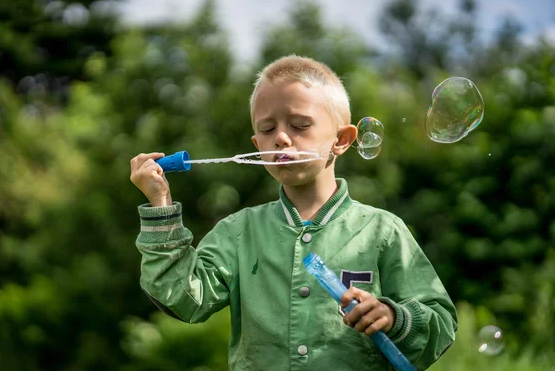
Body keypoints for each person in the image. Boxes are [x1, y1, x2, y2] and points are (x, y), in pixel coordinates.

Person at [130, 55, 458, 370]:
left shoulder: (382, 231)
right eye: (268, 129)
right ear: (256, 146)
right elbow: (184, 298)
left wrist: (394, 317)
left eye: (300, 125)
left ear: (342, 140)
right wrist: (161, 203)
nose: (282, 138)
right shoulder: (238, 232)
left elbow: (440, 323)